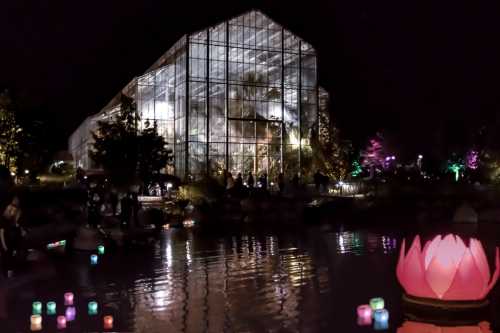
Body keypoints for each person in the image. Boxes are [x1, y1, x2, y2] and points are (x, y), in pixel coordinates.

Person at [0, 196, 26, 277]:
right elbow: (1, 233)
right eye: (12, 211)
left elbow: (18, 228)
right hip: (6, 242)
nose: (13, 212)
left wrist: (21, 230)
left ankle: (11, 273)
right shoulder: (4, 219)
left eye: (15, 211)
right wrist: (4, 245)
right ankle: (7, 274)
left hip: (13, 242)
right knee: (7, 259)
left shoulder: (13, 219)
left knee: (12, 258)